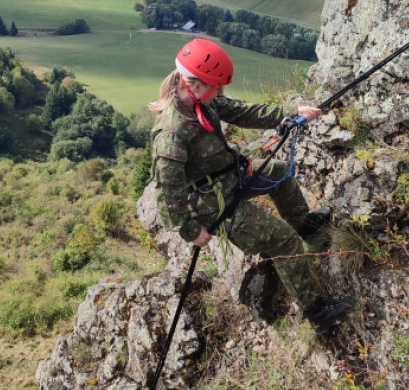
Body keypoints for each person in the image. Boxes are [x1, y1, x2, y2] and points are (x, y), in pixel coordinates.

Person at [149, 38, 351, 333]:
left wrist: (291, 111)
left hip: (230, 176)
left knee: (279, 173)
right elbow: (167, 192)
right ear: (194, 84)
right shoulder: (172, 132)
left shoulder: (202, 98)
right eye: (216, 87)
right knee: (283, 240)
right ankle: (318, 312)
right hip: (211, 203)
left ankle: (307, 226)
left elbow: (244, 113)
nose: (220, 93)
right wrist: (191, 231)